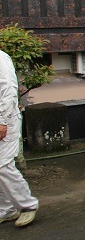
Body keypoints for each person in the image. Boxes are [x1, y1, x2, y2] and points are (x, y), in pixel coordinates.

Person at [0, 49, 39, 227]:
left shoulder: (1, 59)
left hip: (6, 119)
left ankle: (28, 205)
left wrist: (1, 120)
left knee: (3, 165)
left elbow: (8, 90)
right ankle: (6, 210)